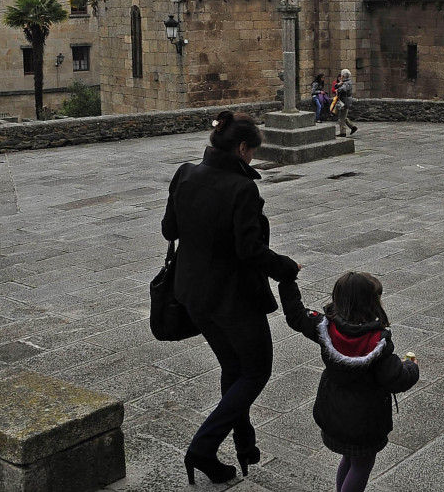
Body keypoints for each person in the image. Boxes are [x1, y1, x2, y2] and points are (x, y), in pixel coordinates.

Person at [161, 110, 301, 485]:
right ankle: (203, 448)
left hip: (191, 295)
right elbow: (249, 250)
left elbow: (168, 229)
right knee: (256, 371)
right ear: (242, 148)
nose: (253, 158)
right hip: (233, 300)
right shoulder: (242, 189)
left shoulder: (185, 173)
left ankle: (242, 441)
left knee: (233, 368)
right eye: (253, 151)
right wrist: (286, 267)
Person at [278, 272, 419, 492]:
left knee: (350, 458)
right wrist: (411, 366)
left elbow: (296, 315)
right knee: (362, 464)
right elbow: (397, 379)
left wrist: (286, 279)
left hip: (334, 411)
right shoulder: (378, 342)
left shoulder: (324, 327)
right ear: (372, 303)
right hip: (365, 420)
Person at [335, 68, 358, 137]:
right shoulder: (345, 82)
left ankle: (343, 132)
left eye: (342, 75)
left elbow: (343, 89)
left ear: (343, 76)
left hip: (345, 102)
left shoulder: (347, 82)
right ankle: (352, 127)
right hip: (344, 101)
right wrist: (339, 84)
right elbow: (335, 86)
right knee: (343, 116)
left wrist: (338, 89)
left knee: (341, 117)